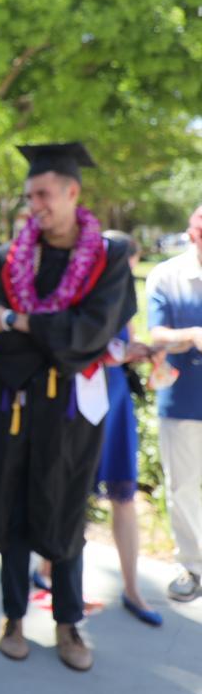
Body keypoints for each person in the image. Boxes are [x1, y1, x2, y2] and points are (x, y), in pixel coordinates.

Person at [0, 143, 137, 672]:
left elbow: (92, 333)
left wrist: (22, 321)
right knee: (12, 504)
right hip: (16, 400)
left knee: (65, 506)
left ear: (71, 191)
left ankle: (67, 621)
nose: (33, 203)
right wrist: (45, 337)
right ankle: (13, 616)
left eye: (43, 193)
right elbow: (0, 340)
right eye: (29, 194)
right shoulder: (8, 258)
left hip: (73, 410)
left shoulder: (109, 257)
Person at [94, 231, 161, 625]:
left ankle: (133, 588)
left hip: (116, 396)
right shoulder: (84, 291)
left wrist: (146, 356)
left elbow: (127, 343)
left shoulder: (124, 296)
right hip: (85, 398)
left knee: (124, 491)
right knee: (71, 491)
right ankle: (48, 571)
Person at [146, 203, 202, 602]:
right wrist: (194, 334)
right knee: (182, 486)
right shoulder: (167, 275)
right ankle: (193, 566)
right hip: (183, 396)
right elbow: (156, 333)